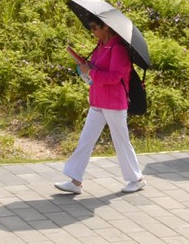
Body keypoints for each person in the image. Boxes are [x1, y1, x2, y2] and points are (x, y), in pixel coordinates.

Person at [54, 19, 144, 194]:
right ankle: (75, 180)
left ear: (106, 27)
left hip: (113, 102)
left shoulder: (118, 48)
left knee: (121, 141)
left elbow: (114, 77)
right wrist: (84, 67)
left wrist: (90, 71)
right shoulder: (101, 45)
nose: (92, 31)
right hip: (98, 100)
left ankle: (137, 179)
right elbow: (96, 71)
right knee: (86, 140)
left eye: (95, 27)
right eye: (90, 27)